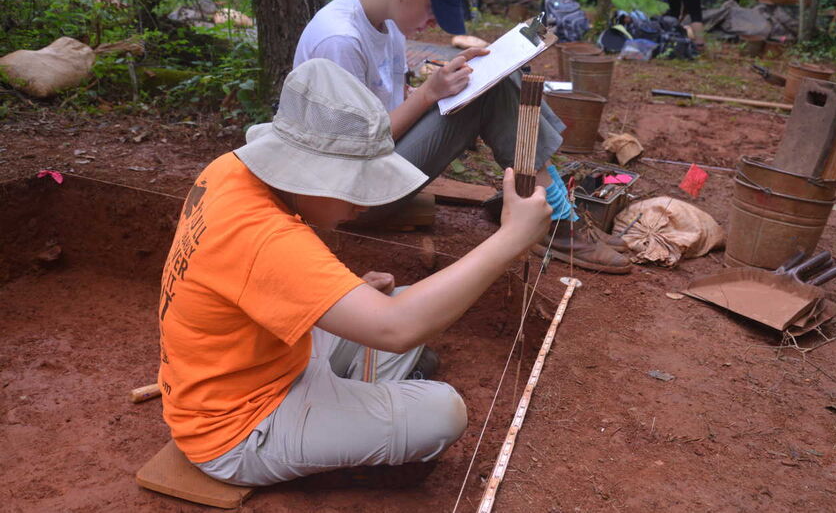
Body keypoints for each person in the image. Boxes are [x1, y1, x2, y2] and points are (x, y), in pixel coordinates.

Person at [157, 58, 552, 487]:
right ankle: (346, 426)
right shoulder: (266, 237)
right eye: (352, 186)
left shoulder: (229, 171)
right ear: (304, 174)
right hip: (238, 428)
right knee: (441, 410)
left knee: (394, 303)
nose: (361, 204)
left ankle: (350, 405)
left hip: (261, 363)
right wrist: (510, 239)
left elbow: (247, 281)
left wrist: (346, 295)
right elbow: (398, 329)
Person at [293, 0, 631, 274]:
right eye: (431, 8)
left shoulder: (383, 22)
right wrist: (428, 94)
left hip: (374, 167)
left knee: (495, 76)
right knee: (493, 92)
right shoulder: (340, 39)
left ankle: (556, 208)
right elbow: (348, 149)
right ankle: (558, 220)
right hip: (348, 198)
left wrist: (450, 84)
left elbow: (380, 105)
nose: (433, 20)